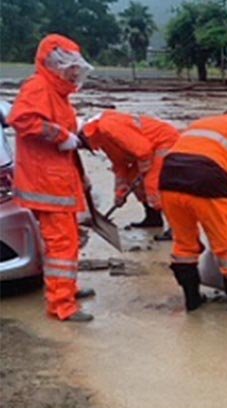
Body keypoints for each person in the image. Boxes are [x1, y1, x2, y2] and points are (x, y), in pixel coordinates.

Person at [8, 34, 94, 321]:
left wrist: (73, 130)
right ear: (57, 64)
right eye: (71, 68)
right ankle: (61, 305)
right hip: (47, 184)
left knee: (67, 240)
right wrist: (61, 136)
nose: (74, 74)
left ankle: (67, 288)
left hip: (57, 181)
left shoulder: (56, 93)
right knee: (61, 244)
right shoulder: (39, 87)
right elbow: (22, 120)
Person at [159, 103, 227, 313]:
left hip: (168, 179)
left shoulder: (205, 123)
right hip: (207, 182)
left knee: (184, 245)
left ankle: (192, 300)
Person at [81, 110, 180, 234]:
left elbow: (143, 150)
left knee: (152, 184)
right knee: (135, 181)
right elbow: (120, 165)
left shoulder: (108, 126)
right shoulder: (102, 138)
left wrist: (145, 169)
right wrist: (120, 192)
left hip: (163, 141)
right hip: (147, 149)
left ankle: (177, 228)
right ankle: (153, 218)